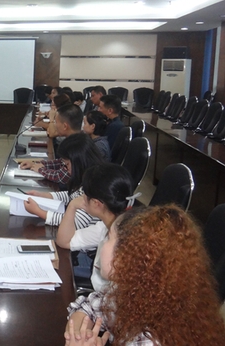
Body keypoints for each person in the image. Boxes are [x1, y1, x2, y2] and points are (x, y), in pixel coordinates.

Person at [65, 205, 225, 346]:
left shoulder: (149, 338)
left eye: (108, 237)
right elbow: (88, 306)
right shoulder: (140, 293)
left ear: (126, 255)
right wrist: (79, 336)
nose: (103, 244)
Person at [56, 163, 135, 292]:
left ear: (95, 203)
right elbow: (64, 241)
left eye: (84, 193)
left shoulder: (122, 241)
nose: (82, 197)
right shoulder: (105, 226)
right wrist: (72, 207)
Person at [23, 133, 104, 228]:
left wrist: (38, 211)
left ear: (79, 162)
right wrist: (43, 195)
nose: (65, 169)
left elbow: (74, 223)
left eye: (67, 165)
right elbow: (72, 195)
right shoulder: (88, 177)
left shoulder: (95, 187)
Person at [21, 104, 83, 186]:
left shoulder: (78, 146)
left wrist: (41, 169)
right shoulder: (74, 139)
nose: (54, 125)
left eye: (55, 122)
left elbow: (63, 176)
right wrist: (36, 164)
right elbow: (61, 162)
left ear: (65, 126)